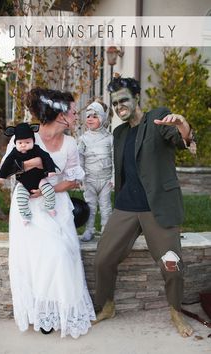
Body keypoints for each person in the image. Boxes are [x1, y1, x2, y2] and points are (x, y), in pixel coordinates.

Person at [93, 76, 196, 337]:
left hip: (157, 206)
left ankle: (176, 311)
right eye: (115, 103)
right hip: (127, 206)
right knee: (102, 259)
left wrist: (183, 126)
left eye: (124, 99)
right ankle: (107, 306)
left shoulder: (158, 118)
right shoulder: (119, 132)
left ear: (137, 97)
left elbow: (178, 139)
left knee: (171, 265)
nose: (119, 106)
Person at [3, 88, 95, 338]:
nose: (77, 116)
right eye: (74, 111)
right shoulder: (25, 137)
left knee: (60, 255)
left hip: (56, 206)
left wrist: (47, 188)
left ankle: (59, 311)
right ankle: (42, 315)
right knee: (35, 261)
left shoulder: (71, 143)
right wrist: (31, 173)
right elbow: (8, 168)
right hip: (28, 209)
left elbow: (74, 181)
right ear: (60, 114)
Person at [0, 122, 59, 224]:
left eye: (27, 142)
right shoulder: (14, 152)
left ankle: (50, 206)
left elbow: (47, 158)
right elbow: (7, 163)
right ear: (16, 143)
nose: (23, 145)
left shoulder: (37, 149)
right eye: (20, 143)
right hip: (23, 181)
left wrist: (51, 170)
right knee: (21, 199)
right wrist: (1, 176)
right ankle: (26, 216)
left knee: (49, 190)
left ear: (33, 141)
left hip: (39, 179)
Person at [78, 99, 114, 242]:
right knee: (90, 206)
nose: (90, 119)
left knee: (106, 207)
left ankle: (106, 230)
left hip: (105, 180)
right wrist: (80, 176)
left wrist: (113, 178)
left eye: (94, 116)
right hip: (89, 179)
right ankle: (89, 229)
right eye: (88, 116)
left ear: (102, 118)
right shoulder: (83, 139)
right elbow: (79, 158)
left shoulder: (109, 138)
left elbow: (114, 158)